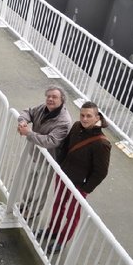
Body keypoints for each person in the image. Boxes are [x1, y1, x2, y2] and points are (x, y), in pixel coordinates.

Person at [47, 101, 111, 253]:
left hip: (79, 184)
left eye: (89, 116)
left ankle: (62, 241)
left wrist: (85, 189)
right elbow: (65, 147)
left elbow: (101, 172)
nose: (84, 119)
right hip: (64, 175)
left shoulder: (102, 143)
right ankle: (53, 230)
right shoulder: (76, 126)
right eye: (82, 115)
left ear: (97, 118)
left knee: (72, 214)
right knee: (58, 203)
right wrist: (61, 165)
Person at [17, 86, 72, 219]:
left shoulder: (64, 121)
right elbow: (29, 112)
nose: (50, 99)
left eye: (54, 97)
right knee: (30, 181)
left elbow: (50, 141)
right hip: (34, 153)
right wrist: (23, 121)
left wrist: (28, 133)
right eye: (48, 96)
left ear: (62, 100)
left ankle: (34, 211)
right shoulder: (43, 108)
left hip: (49, 160)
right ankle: (25, 204)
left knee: (40, 189)